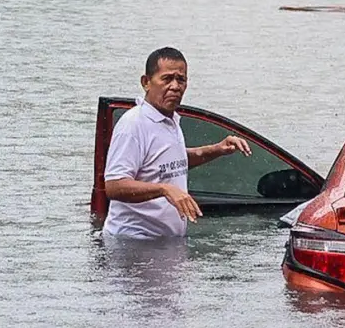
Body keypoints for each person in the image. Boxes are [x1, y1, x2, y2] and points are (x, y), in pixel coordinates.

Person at [102, 47, 251, 239]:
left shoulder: (171, 120)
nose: (175, 86)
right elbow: (114, 186)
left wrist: (217, 149)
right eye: (167, 79)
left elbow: (170, 164)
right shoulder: (133, 124)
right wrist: (165, 189)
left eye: (181, 79)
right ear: (146, 82)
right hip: (134, 242)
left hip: (165, 244)